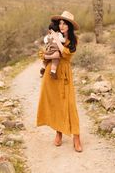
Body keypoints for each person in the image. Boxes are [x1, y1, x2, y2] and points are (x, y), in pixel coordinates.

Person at [37, 11, 83, 152]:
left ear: (69, 26)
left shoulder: (73, 41)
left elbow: (65, 54)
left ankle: (76, 137)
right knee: (55, 103)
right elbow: (45, 52)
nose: (62, 26)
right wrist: (46, 56)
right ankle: (58, 133)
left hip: (64, 73)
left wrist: (57, 39)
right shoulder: (54, 36)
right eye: (60, 23)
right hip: (51, 74)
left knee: (70, 104)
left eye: (65, 24)